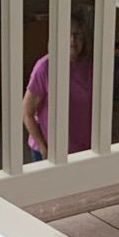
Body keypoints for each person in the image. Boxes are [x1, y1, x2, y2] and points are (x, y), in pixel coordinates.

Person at [22, 9, 93, 160]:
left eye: (77, 34)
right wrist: (43, 147)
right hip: (50, 150)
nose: (73, 40)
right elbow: (27, 112)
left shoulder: (89, 67)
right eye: (68, 34)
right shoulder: (45, 67)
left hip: (82, 149)